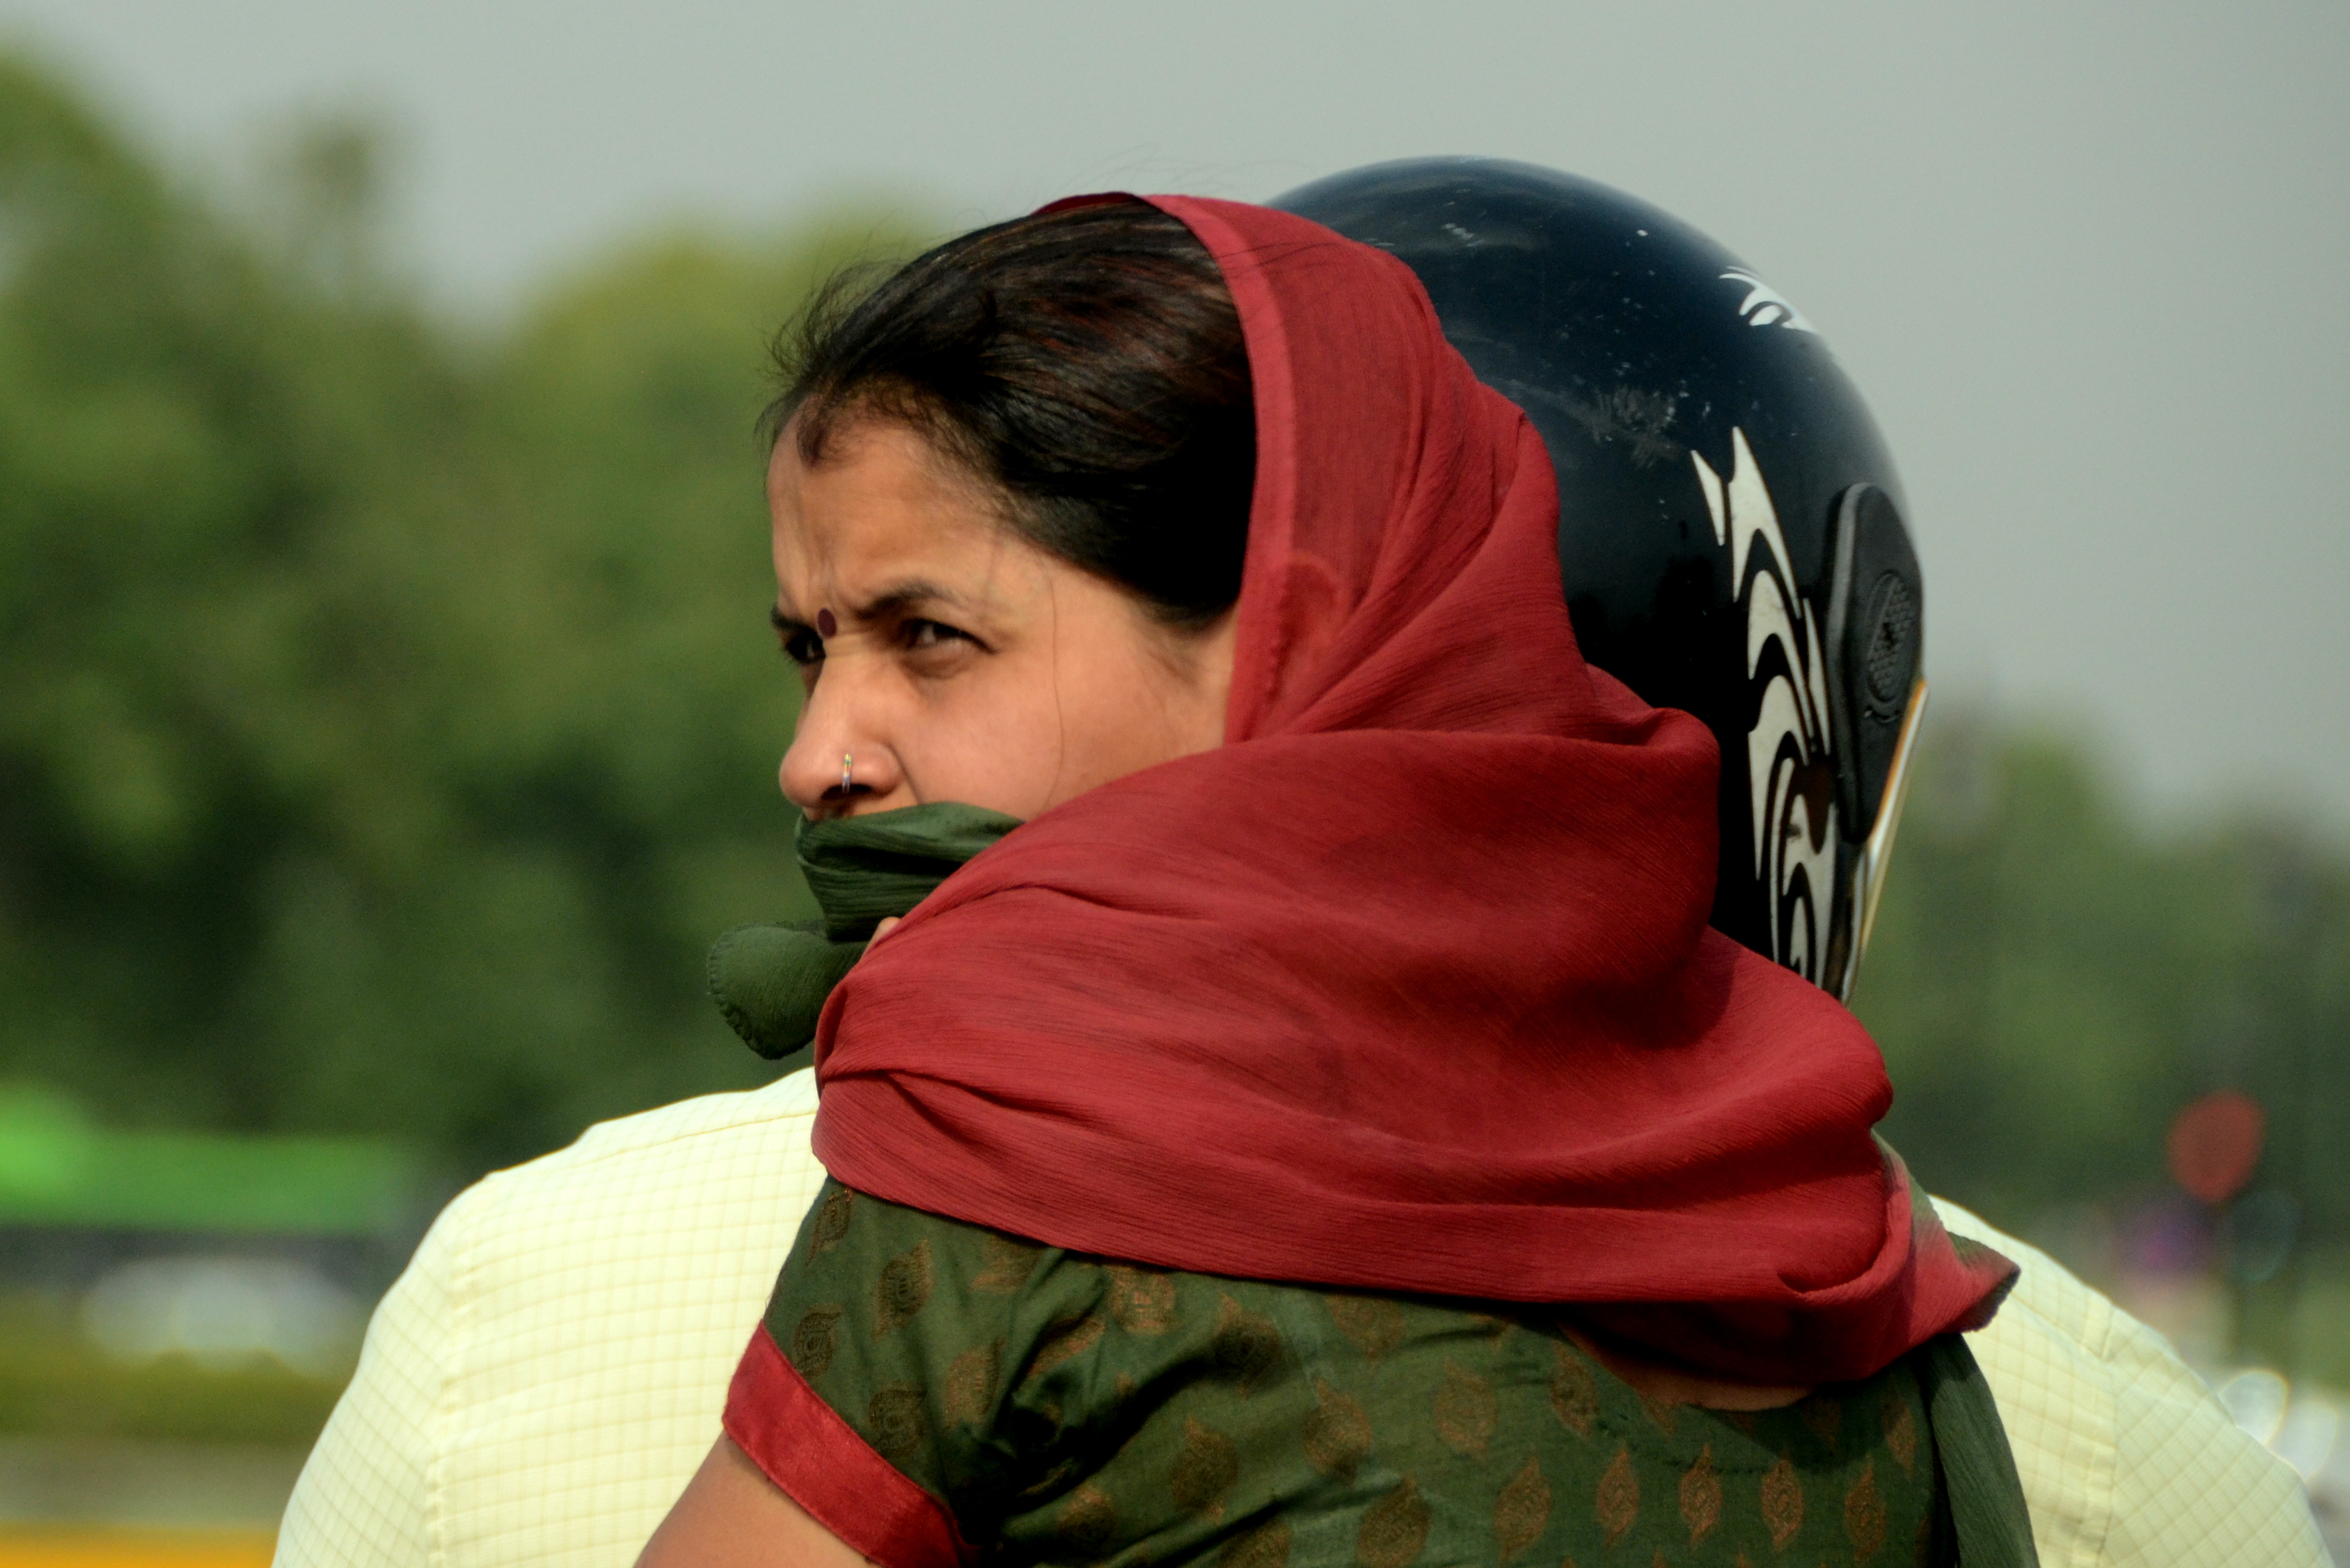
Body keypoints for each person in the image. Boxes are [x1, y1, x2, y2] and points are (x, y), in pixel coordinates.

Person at [274, 182, 2325, 1568]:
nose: (816, 759)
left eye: (932, 637)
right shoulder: (1967, 1360)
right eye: (813, 650)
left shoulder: (567, 1281)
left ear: (1304, 637)